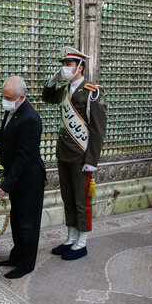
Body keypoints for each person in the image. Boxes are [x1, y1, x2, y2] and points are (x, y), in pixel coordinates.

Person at [42, 47, 107, 260]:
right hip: (64, 153)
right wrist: (52, 81)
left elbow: (97, 130)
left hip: (81, 155)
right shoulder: (64, 90)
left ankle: (81, 242)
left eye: (68, 65)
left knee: (81, 200)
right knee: (68, 198)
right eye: (63, 64)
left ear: (80, 67)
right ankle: (70, 238)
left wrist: (92, 160)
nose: (64, 68)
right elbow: (47, 97)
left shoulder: (92, 92)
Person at [0, 76, 46, 279]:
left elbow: (24, 158)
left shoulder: (30, 118)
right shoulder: (13, 111)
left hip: (29, 179)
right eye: (3, 97)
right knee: (17, 221)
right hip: (17, 177)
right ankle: (16, 256)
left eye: (9, 97)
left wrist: (5, 185)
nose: (5, 100)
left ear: (21, 97)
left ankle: (26, 264)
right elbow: (4, 135)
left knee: (28, 223)